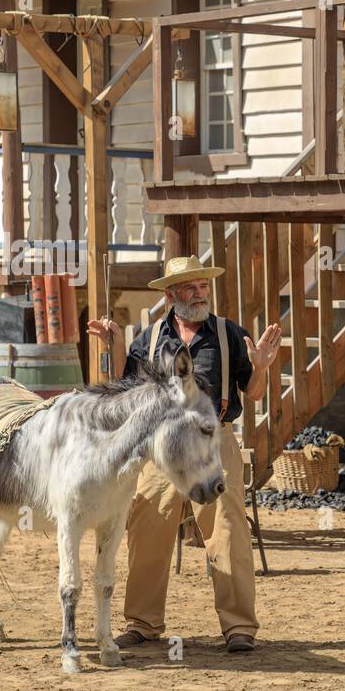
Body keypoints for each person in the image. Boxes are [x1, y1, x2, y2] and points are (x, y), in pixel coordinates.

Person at [87, 254, 282, 653]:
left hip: (213, 441)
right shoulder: (152, 337)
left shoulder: (229, 334)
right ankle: (142, 623)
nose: (199, 293)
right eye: (191, 287)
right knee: (147, 525)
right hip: (162, 446)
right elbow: (127, 393)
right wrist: (118, 346)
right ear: (172, 294)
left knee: (227, 528)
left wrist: (261, 366)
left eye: (203, 286)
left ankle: (239, 627)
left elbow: (255, 392)